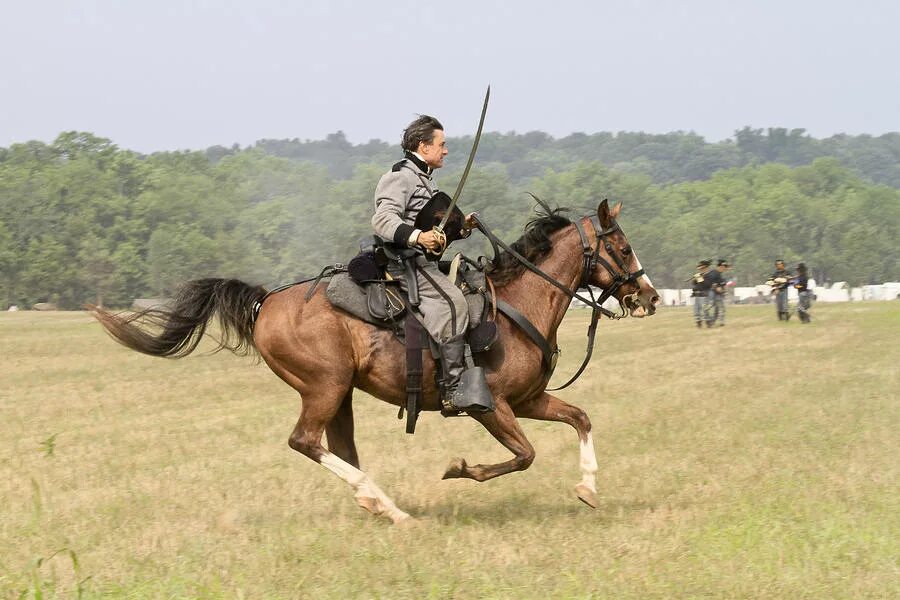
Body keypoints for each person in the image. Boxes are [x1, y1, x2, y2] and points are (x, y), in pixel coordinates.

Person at [371, 115, 493, 414]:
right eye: (442, 144)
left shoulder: (423, 177)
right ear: (424, 146)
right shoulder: (401, 176)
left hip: (422, 259)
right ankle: (452, 390)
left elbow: (431, 226)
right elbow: (383, 220)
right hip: (404, 263)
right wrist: (417, 237)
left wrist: (461, 227)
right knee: (454, 305)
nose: (446, 150)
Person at [689, 260, 713, 328]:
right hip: (696, 294)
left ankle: (708, 322)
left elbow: (707, 285)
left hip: (704, 295)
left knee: (705, 310)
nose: (700, 269)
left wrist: (700, 278)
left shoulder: (709, 275)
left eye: (701, 268)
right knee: (696, 310)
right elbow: (694, 283)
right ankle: (698, 322)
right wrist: (697, 278)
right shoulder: (700, 275)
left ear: (706, 267)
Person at [709, 259, 730, 327]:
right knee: (721, 308)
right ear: (721, 266)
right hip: (714, 294)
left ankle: (711, 322)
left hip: (718, 294)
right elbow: (710, 283)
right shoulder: (713, 273)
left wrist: (724, 290)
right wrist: (716, 288)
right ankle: (721, 322)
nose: (725, 269)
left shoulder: (719, 274)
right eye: (724, 267)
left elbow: (722, 284)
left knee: (717, 310)